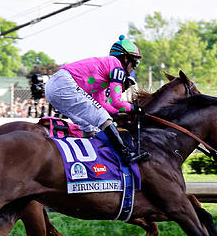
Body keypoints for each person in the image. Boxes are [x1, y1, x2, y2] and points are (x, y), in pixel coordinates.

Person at [44, 34, 150, 164]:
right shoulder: (117, 66)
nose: (134, 67)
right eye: (135, 62)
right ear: (126, 58)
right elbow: (116, 101)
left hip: (54, 87)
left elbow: (101, 103)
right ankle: (126, 154)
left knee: (88, 126)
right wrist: (134, 108)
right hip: (63, 84)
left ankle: (87, 162)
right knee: (102, 117)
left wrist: (118, 113)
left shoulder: (104, 75)